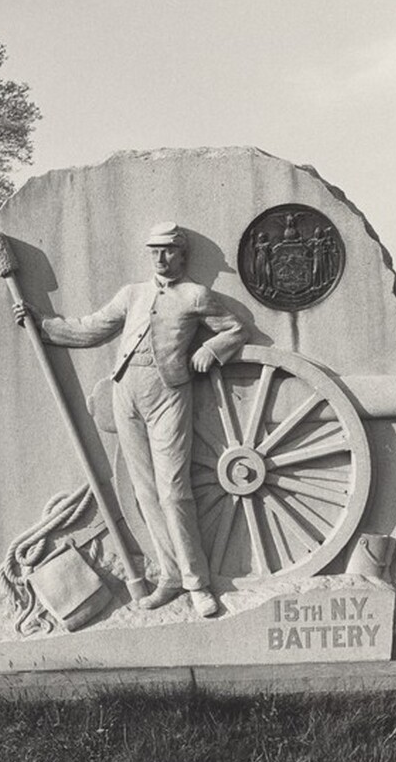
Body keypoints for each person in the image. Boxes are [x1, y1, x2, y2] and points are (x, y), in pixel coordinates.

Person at [14, 222, 248, 616]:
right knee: (144, 493)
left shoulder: (196, 295)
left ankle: (197, 584)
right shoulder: (132, 294)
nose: (160, 257)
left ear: (182, 253)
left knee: (174, 492)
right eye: (154, 250)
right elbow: (92, 329)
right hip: (126, 394)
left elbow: (235, 329)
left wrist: (213, 347)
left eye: (168, 250)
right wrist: (42, 324)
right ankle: (170, 577)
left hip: (169, 393)